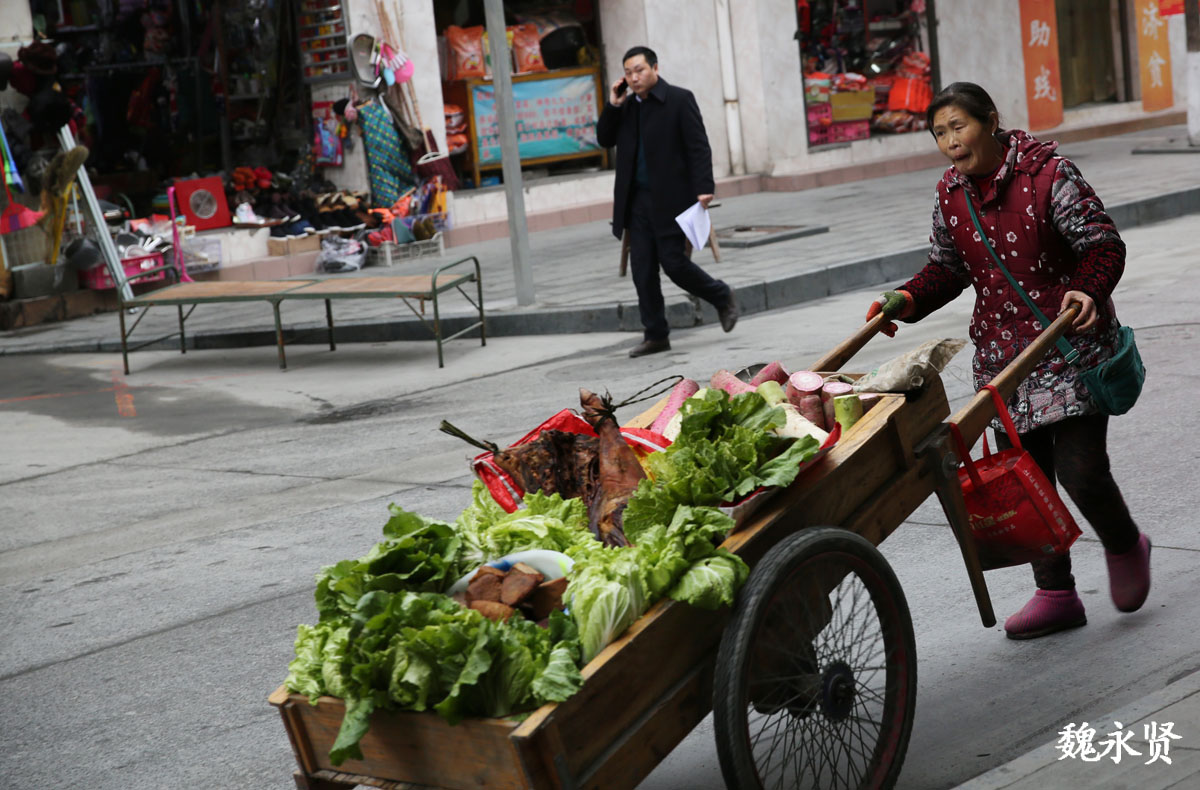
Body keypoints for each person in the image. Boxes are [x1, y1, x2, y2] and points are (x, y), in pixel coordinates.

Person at [865, 82, 1150, 640]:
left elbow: (1102, 245)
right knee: (1026, 483)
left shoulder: (1049, 174)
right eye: (940, 133)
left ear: (990, 121)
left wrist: (1088, 289)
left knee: (1081, 472)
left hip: (1069, 347)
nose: (950, 142)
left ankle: (1125, 545)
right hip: (1005, 362)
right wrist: (907, 298)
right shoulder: (951, 193)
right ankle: (1056, 593)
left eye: (958, 127)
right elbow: (947, 269)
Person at [597, 46, 738, 358]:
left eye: (639, 70)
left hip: (672, 200)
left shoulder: (679, 99)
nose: (634, 78)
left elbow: (698, 145)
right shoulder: (626, 106)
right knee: (642, 270)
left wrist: (704, 187)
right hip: (636, 203)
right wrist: (613, 105)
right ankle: (656, 334)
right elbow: (604, 139)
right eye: (628, 73)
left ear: (655, 68)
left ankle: (721, 295)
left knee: (674, 264)